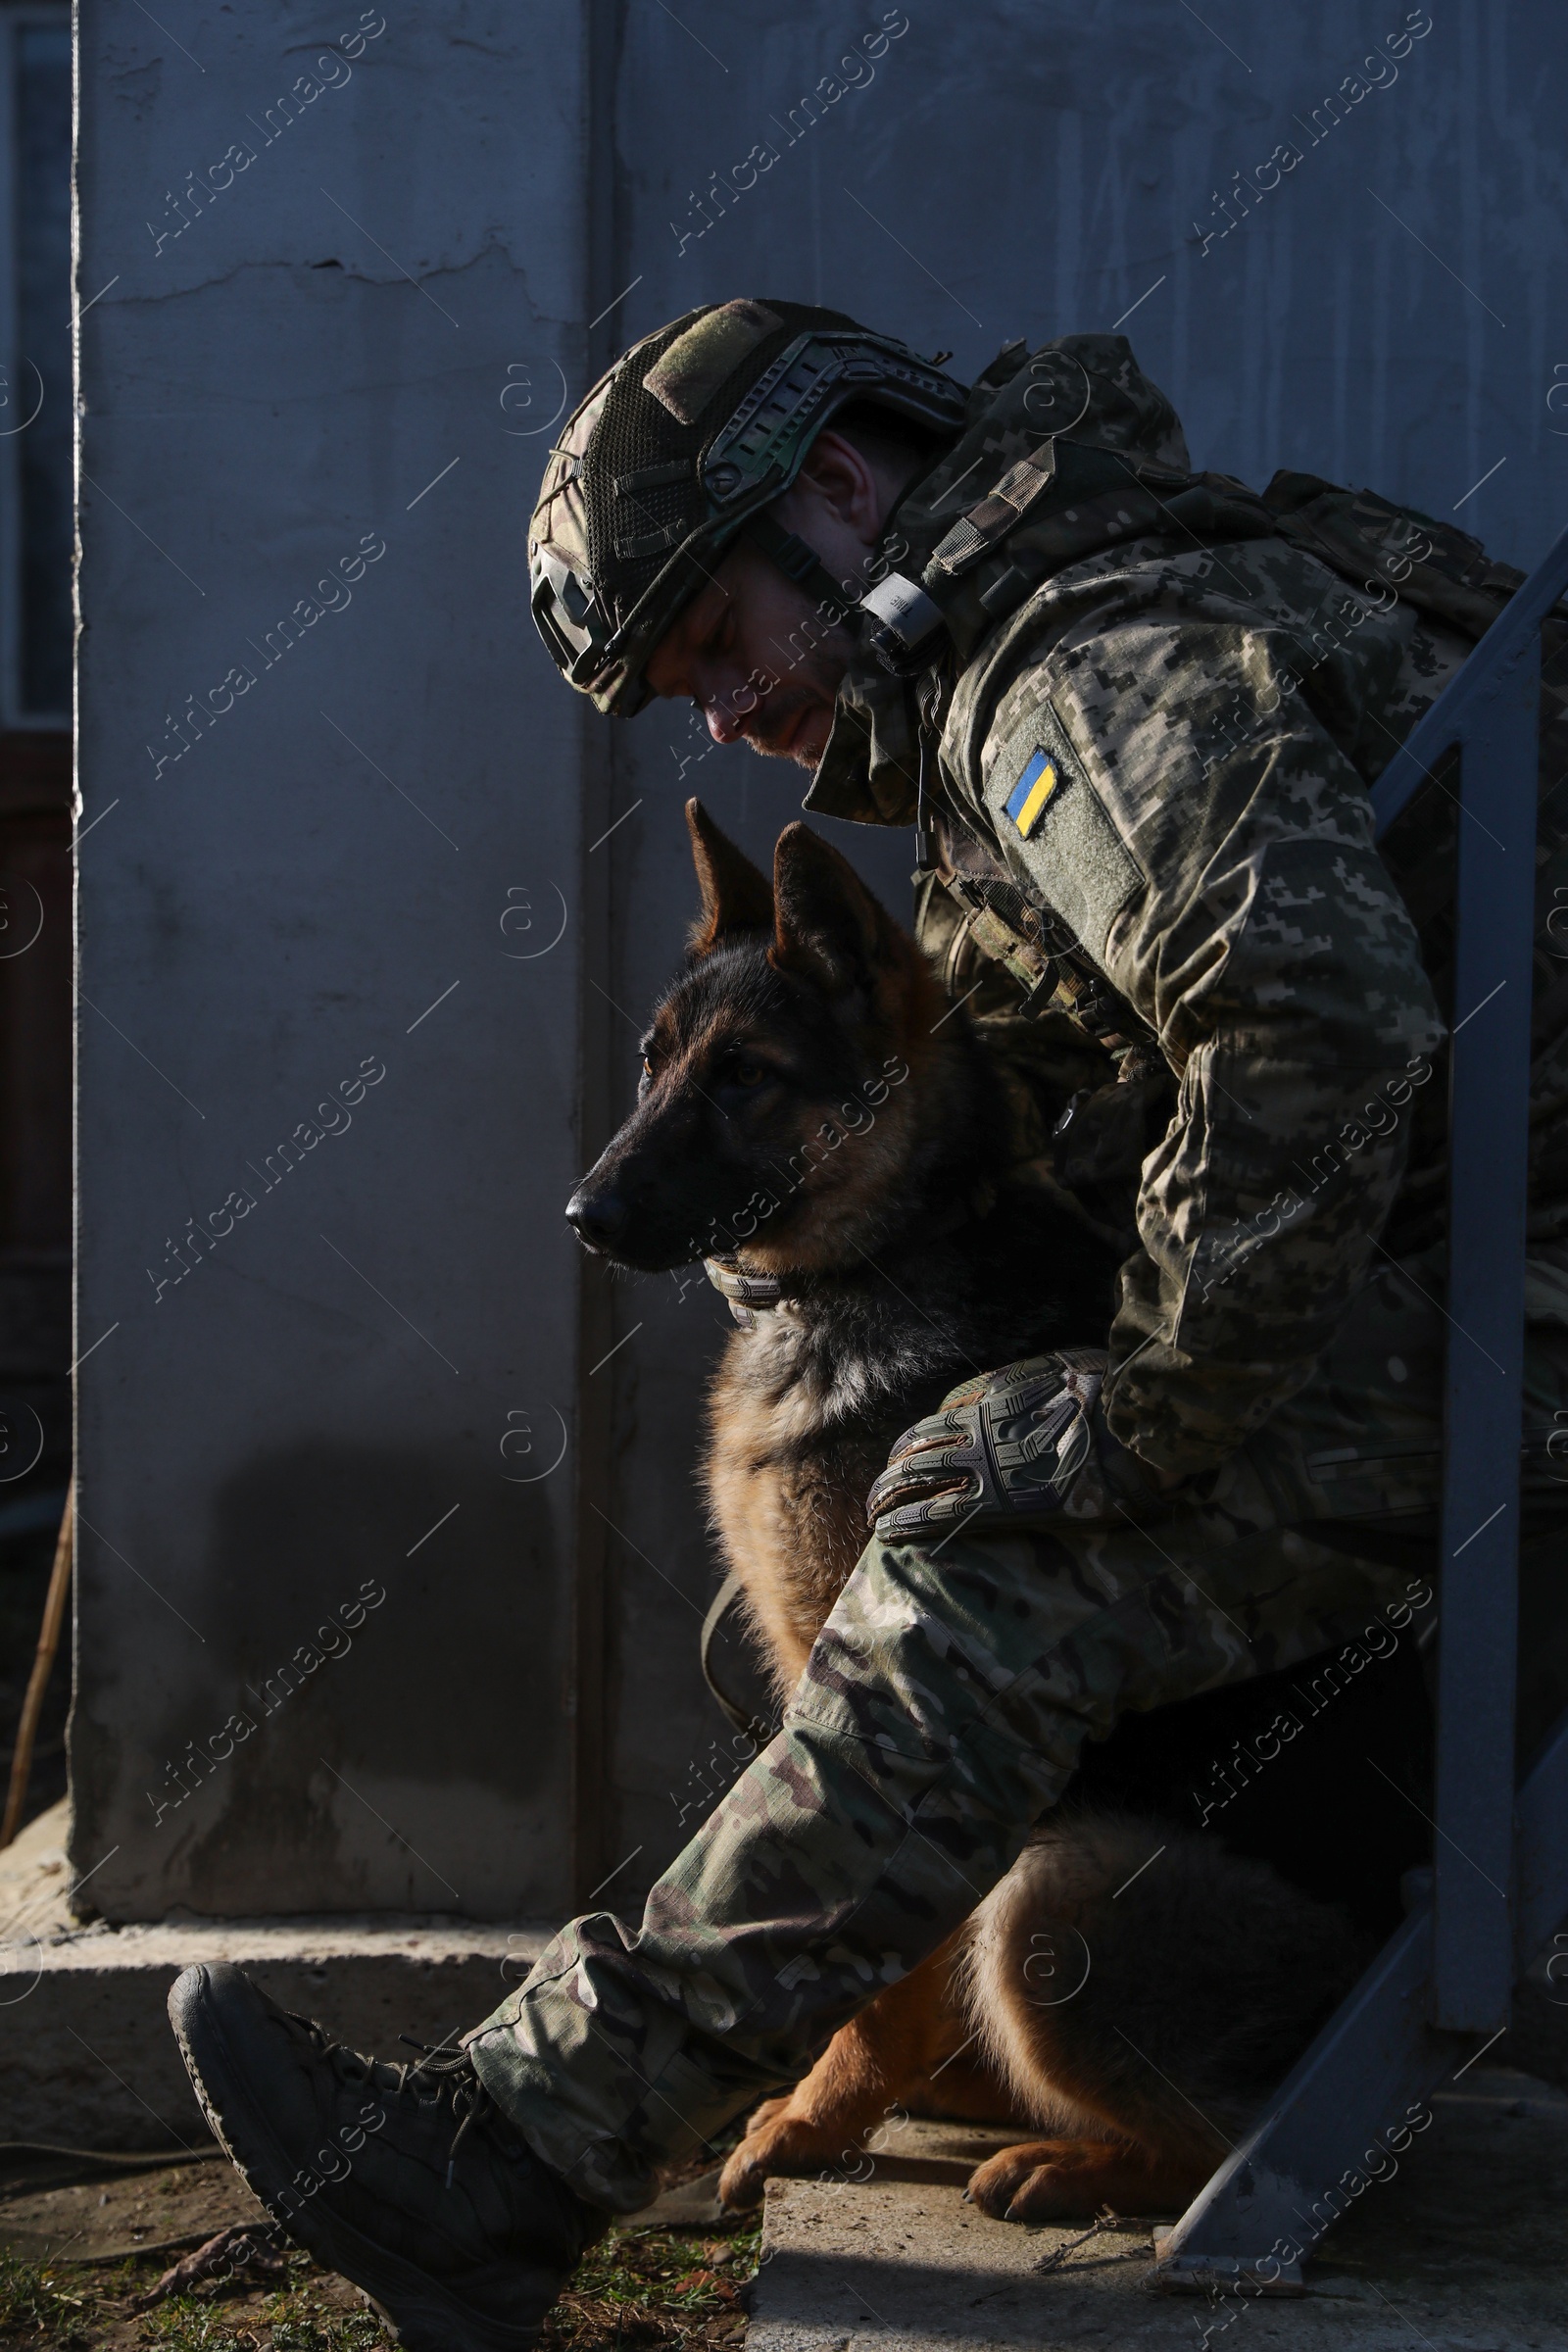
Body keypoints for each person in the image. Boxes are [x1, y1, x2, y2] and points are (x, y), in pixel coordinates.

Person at [171, 299, 1568, 2352]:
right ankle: (618, 2109)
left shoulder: (1073, 667)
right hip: (1448, 1316)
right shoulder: (1043, 653)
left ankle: (516, 2160)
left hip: (1513, 1356)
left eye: (717, 640)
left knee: (985, 1541)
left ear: (837, 488)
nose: (721, 713)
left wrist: (1139, 1414)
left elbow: (1301, 1026)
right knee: (968, 1470)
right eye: (680, 685)